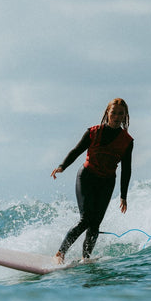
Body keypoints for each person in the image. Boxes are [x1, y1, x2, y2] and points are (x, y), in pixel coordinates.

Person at [51, 98, 134, 263]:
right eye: (114, 113)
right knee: (86, 219)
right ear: (107, 114)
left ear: (125, 116)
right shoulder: (93, 132)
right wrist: (62, 166)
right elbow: (76, 151)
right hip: (87, 177)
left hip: (107, 182)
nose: (117, 117)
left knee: (95, 224)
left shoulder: (127, 141)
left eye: (120, 114)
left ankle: (85, 258)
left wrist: (123, 195)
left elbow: (126, 169)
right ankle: (60, 253)